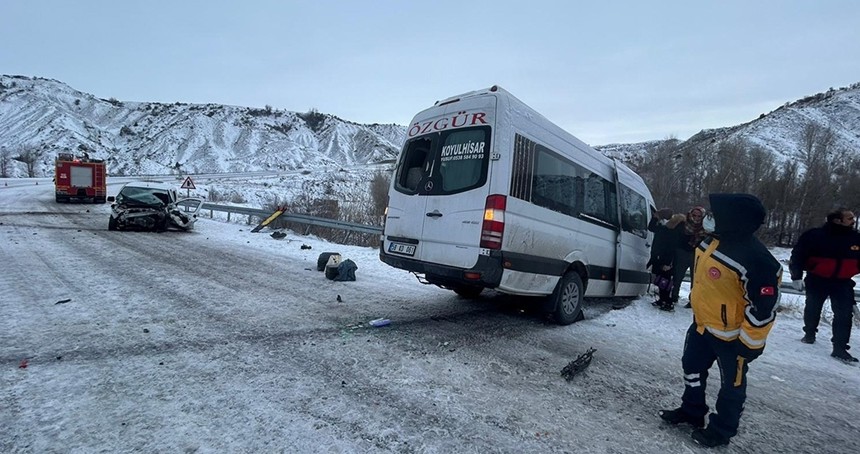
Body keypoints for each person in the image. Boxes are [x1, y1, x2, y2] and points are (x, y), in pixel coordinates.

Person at [659, 193, 781, 448]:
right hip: (702, 326)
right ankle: (692, 411)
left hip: (732, 338)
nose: (708, 218)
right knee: (691, 367)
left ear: (733, 219)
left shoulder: (758, 260)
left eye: (715, 214)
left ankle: (721, 430)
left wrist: (749, 344)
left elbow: (764, 308)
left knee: (731, 387)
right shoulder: (711, 241)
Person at [788, 208, 860, 362]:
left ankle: (839, 348)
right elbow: (798, 255)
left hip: (843, 282)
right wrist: (796, 276)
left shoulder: (856, 238)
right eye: (849, 218)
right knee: (813, 308)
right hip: (817, 279)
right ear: (837, 220)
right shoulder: (815, 236)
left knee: (844, 315)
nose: (853, 221)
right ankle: (809, 333)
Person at [669, 206, 708, 309]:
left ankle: (692, 300)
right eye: (694, 215)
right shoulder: (683, 224)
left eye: (699, 216)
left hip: (697, 255)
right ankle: (673, 296)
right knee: (678, 276)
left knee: (695, 279)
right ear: (690, 214)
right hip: (682, 252)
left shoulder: (705, 228)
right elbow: (675, 237)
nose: (696, 218)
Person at [647, 208, 684, 311]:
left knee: (664, 280)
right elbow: (652, 228)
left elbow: (672, 247)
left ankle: (667, 301)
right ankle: (663, 299)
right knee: (662, 279)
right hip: (661, 256)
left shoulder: (672, 230)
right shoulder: (667, 228)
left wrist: (668, 263)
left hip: (666, 258)